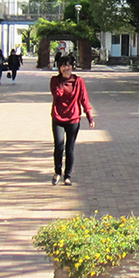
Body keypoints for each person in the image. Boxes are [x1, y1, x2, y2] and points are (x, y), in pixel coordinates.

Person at [50, 54, 95, 186]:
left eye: (69, 65)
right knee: (59, 145)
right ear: (59, 67)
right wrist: (63, 81)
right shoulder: (54, 80)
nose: (66, 68)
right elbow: (57, 93)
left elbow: (84, 99)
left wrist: (89, 116)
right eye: (63, 65)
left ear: (72, 66)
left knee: (70, 148)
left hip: (73, 118)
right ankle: (57, 172)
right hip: (58, 117)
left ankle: (68, 175)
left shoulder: (79, 81)